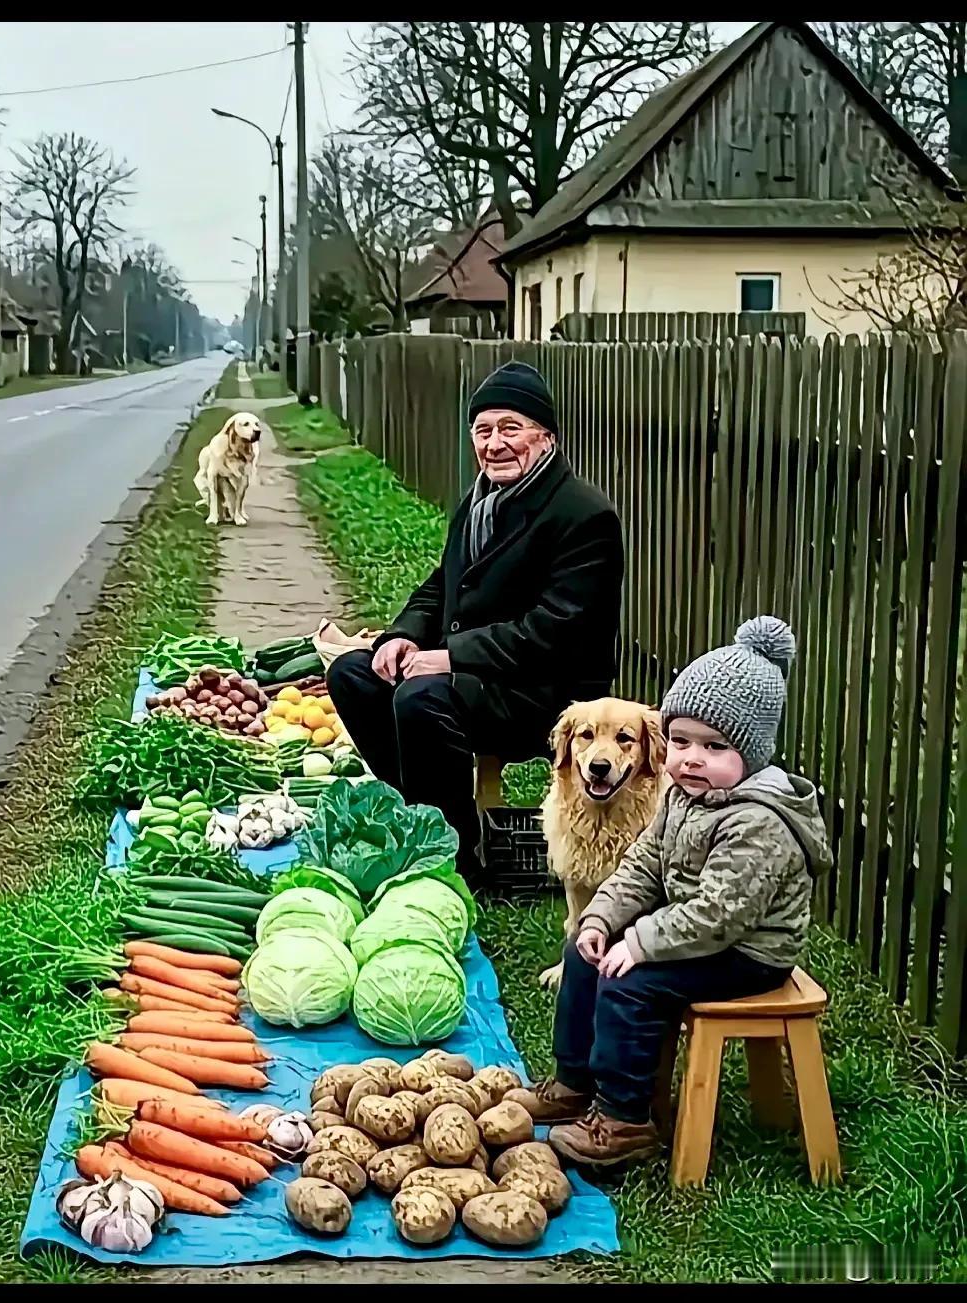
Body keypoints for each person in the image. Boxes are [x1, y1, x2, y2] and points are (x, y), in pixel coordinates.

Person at [535, 616, 833, 1168]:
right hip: (698, 929)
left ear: (753, 753)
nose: (692, 758)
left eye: (715, 746)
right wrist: (599, 920)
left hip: (748, 952)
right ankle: (573, 1082)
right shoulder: (684, 797)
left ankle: (625, 1120)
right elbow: (643, 865)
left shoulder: (758, 823)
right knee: (584, 950)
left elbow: (718, 915)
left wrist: (640, 943)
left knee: (631, 981)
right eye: (680, 741)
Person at [327, 360, 623, 881]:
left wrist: (450, 657)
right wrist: (400, 638)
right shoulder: (479, 502)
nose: (495, 444)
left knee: (421, 699)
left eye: (511, 428)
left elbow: (556, 628)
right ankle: (418, 819)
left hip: (546, 691)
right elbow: (442, 584)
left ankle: (455, 861)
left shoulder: (584, 515)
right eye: (483, 431)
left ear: (546, 437)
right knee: (354, 673)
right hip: (483, 675)